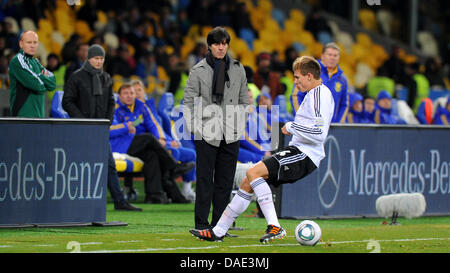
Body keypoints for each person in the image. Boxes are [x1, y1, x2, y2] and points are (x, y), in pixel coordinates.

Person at [190, 56, 334, 243]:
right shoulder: (316, 94)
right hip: (299, 152)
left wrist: (291, 127)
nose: (295, 81)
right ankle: (218, 231)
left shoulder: (318, 95)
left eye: (297, 77)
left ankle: (275, 227)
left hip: (304, 155)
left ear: (309, 76)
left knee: (253, 173)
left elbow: (319, 133)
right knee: (247, 182)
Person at [182, 26, 249, 230]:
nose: (221, 48)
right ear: (209, 46)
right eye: (217, 44)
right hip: (206, 132)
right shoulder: (198, 70)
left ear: (227, 45)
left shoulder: (238, 68)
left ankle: (220, 226)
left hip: (231, 132)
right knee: (204, 180)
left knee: (225, 182)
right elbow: (188, 102)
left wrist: (238, 122)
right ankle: (201, 224)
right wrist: (195, 129)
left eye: (224, 44)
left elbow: (244, 101)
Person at [62, 44, 142, 211]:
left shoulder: (106, 78)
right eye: (96, 58)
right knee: (81, 165)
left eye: (101, 58)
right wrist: (82, 121)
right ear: (88, 58)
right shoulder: (76, 77)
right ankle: (78, 199)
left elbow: (111, 103)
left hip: (99, 129)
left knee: (109, 165)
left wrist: (107, 122)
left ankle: (119, 201)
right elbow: (67, 101)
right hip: (81, 129)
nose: (99, 61)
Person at [110, 83, 194, 203]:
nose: (129, 96)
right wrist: (125, 126)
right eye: (125, 93)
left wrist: (162, 139)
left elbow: (154, 124)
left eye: (132, 93)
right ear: (119, 96)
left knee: (152, 156)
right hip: (119, 145)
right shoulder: (114, 109)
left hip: (132, 144)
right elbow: (109, 129)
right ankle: (173, 167)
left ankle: (154, 195)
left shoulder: (141, 107)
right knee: (148, 138)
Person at [131, 79, 197, 202]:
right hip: (149, 144)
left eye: (139, 90)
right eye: (134, 91)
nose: (137, 93)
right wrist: (166, 143)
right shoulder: (134, 110)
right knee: (173, 153)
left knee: (191, 154)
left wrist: (171, 140)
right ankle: (172, 176)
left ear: (144, 91)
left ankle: (185, 189)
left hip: (161, 142)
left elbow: (160, 128)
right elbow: (146, 132)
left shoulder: (150, 107)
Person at [290, 43, 349, 124]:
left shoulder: (342, 80)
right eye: (330, 55)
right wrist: (302, 118)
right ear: (322, 56)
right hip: (309, 125)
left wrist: (339, 123)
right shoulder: (309, 71)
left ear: (339, 58)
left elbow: (344, 104)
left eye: (335, 55)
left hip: (332, 127)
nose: (332, 58)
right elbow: (296, 95)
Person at [8, 30, 56, 117]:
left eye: (35, 42)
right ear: (21, 44)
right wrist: (42, 76)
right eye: (29, 42)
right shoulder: (17, 61)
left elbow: (52, 84)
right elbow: (38, 86)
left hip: (39, 116)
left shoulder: (35, 61)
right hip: (23, 117)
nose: (32, 45)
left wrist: (38, 77)